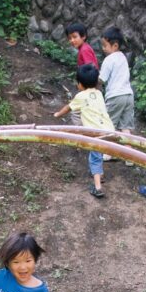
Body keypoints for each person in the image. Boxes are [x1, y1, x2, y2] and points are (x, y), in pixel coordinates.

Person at [54, 64, 114, 198]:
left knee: (95, 158)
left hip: (96, 133)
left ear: (80, 84)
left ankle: (98, 187)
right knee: (98, 155)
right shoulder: (99, 93)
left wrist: (57, 114)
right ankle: (100, 173)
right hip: (110, 130)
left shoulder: (80, 96)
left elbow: (68, 108)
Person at [98, 27, 134, 166]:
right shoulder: (123, 57)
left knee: (108, 124)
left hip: (115, 96)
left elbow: (102, 79)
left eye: (105, 45)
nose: (103, 49)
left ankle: (109, 152)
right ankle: (129, 156)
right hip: (128, 95)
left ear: (115, 45)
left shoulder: (109, 59)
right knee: (126, 127)